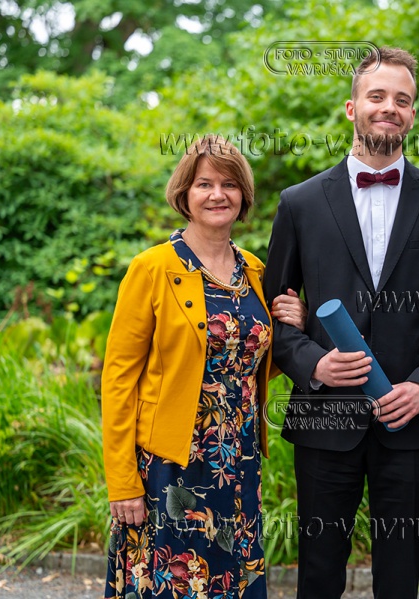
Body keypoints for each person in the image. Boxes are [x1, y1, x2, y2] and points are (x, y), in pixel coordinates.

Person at [264, 47, 419, 599]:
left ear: (412, 115)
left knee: (400, 579)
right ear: (351, 107)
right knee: (317, 575)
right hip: (322, 418)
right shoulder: (299, 203)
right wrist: (314, 365)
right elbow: (272, 315)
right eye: (377, 96)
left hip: (409, 422)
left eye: (402, 100)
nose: (389, 107)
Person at [102, 135, 307, 599]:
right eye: (205, 184)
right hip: (171, 464)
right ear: (185, 194)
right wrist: (122, 483)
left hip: (238, 463)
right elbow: (117, 380)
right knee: (176, 583)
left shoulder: (255, 270)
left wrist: (294, 322)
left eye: (229, 185)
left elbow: (248, 365)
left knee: (233, 581)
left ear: (243, 196)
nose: (218, 194)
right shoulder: (152, 268)